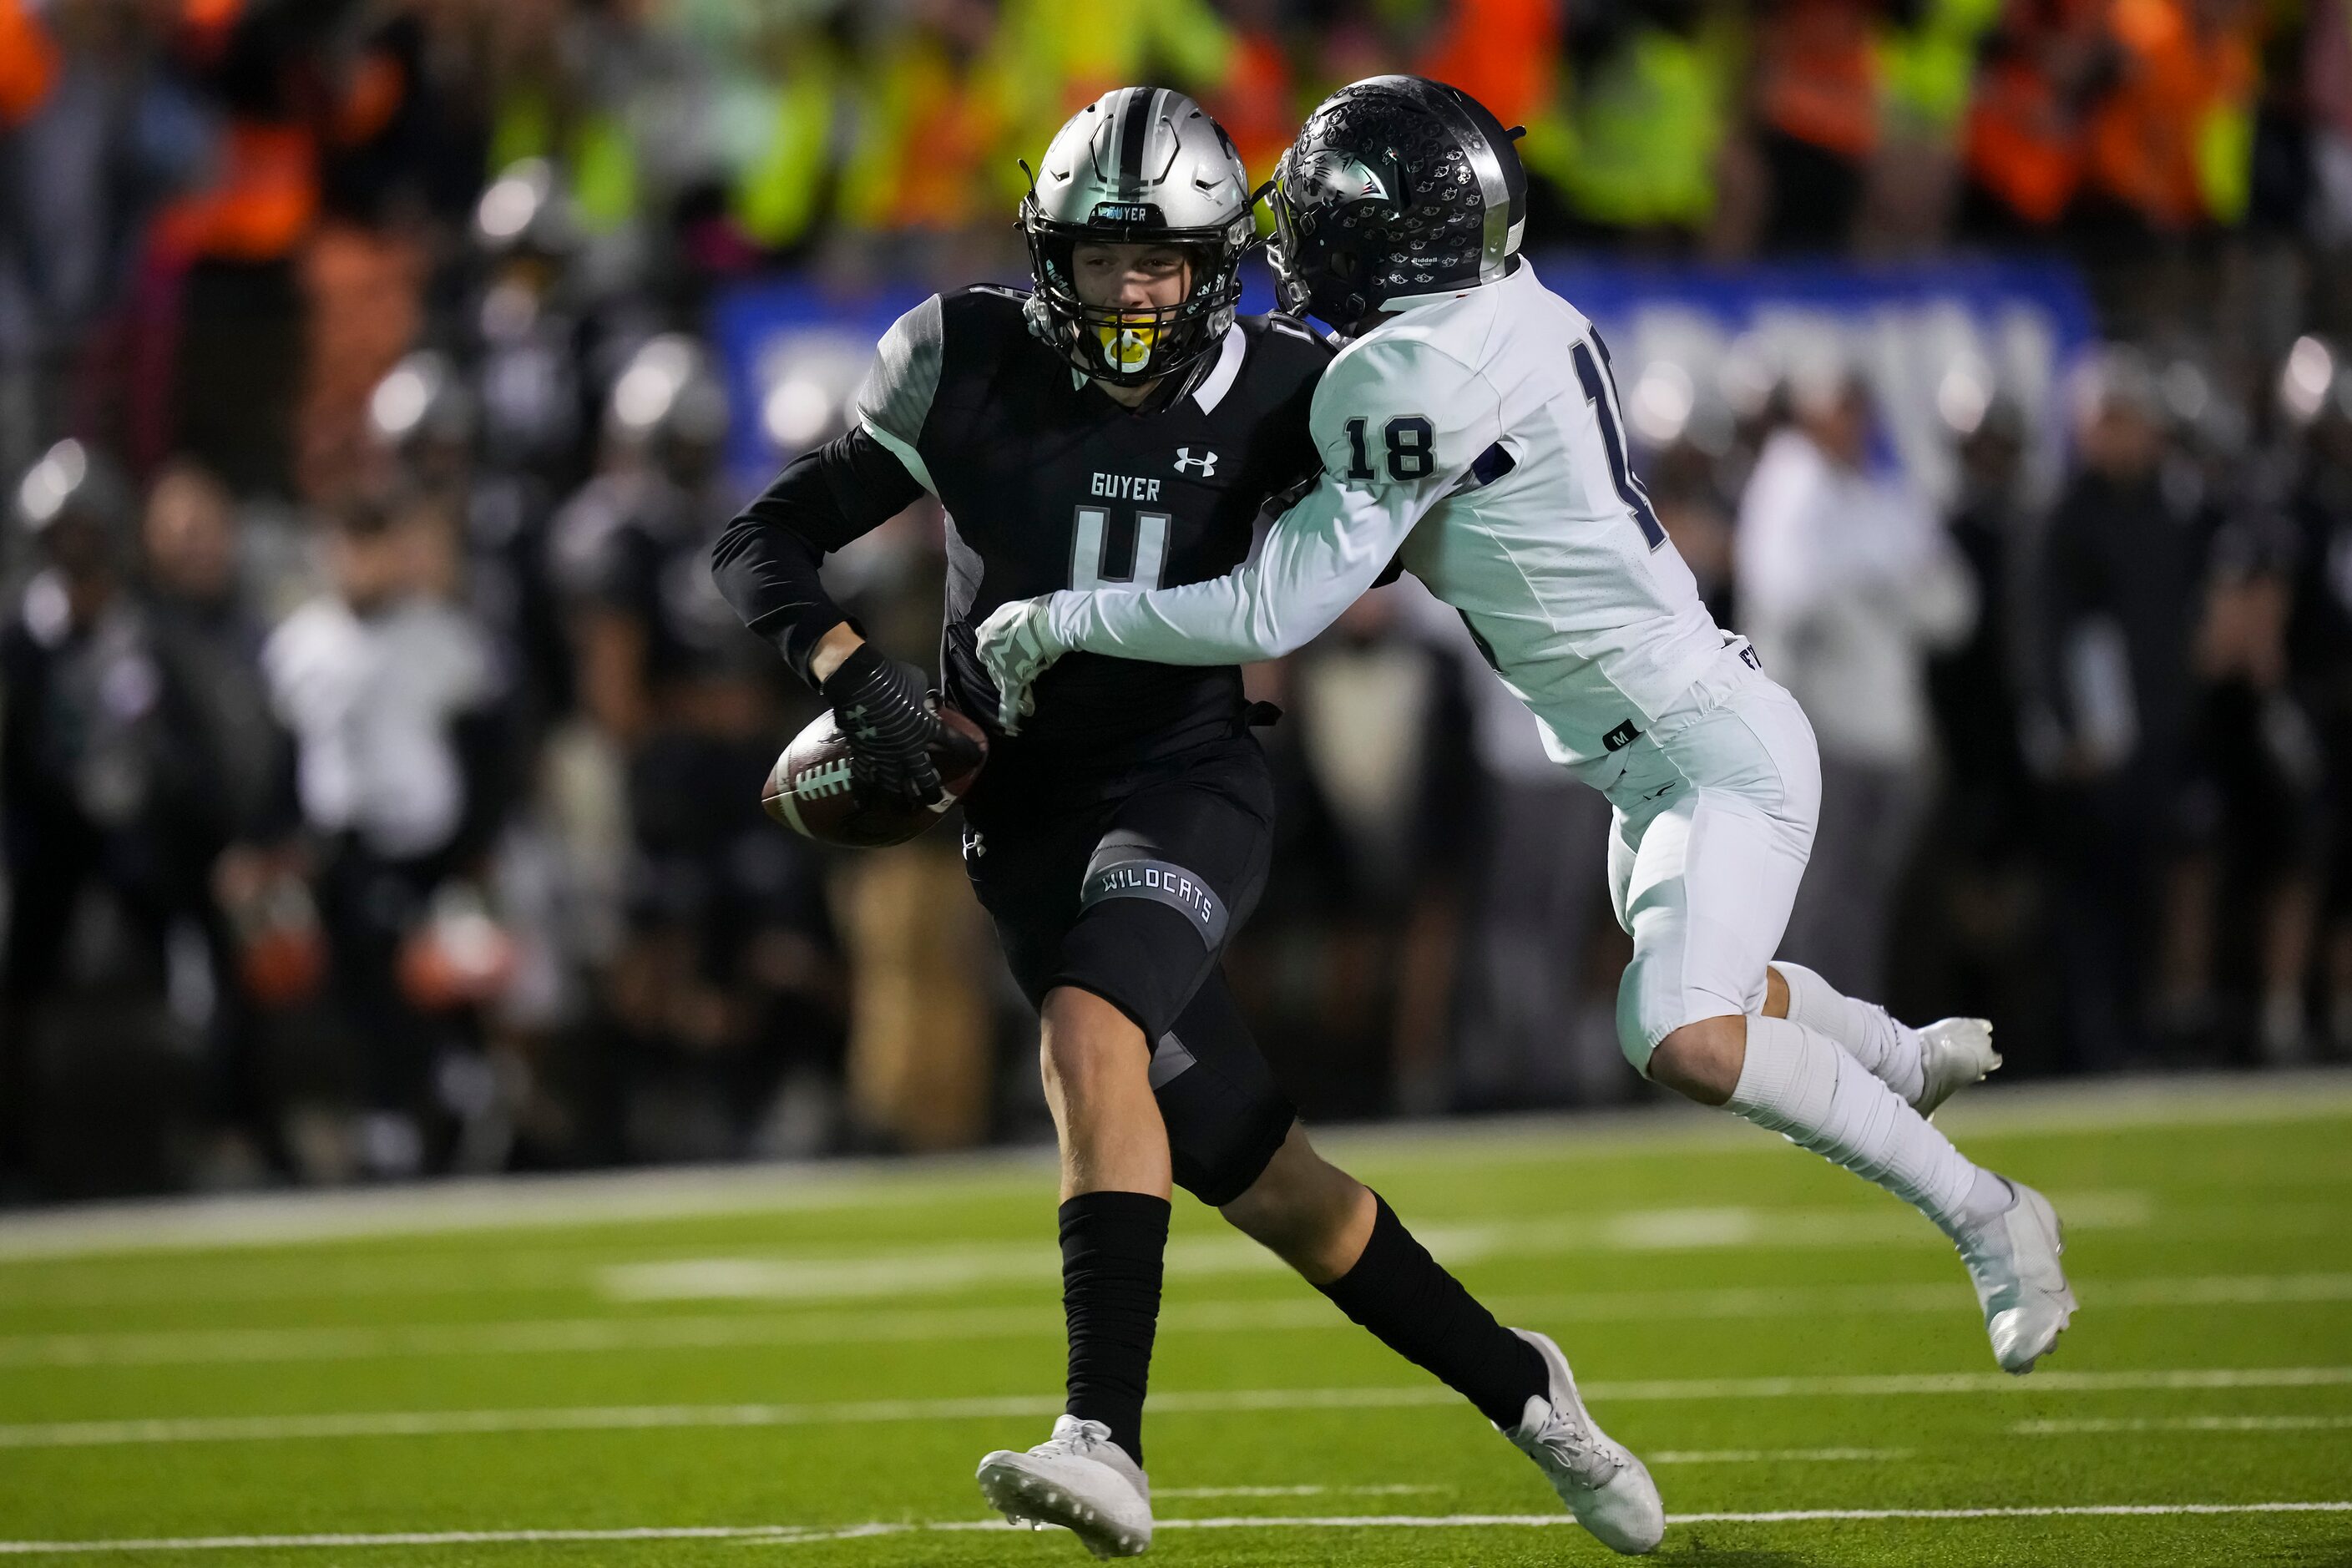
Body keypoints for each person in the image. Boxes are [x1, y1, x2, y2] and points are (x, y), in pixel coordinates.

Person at [981, 73, 2074, 1385]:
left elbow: (1281, 599)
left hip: (1703, 748)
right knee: (1723, 991)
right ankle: (1898, 1051)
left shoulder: (1405, 371)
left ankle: (1989, 1216)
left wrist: (1065, 616)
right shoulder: (1508, 309)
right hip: (1661, 752)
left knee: (1677, 1031)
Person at [715, 88, 1662, 1560]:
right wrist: (852, 672)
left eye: (1164, 261)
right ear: (1054, 258)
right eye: (1106, 261)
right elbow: (760, 534)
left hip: (1184, 781)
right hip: (1016, 811)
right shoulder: (955, 358)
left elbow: (1463, 540)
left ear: (1223, 258)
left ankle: (1103, 1436)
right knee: (1262, 1174)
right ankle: (1521, 1382)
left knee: (1088, 1031)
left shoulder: (1299, 385)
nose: (1137, 290)